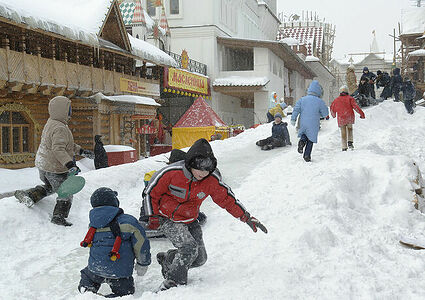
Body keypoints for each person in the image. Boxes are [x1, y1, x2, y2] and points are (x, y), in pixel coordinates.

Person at [142, 138, 267, 291]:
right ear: (191, 163)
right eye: (200, 169)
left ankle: (168, 259)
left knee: (200, 258)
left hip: (190, 218)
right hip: (167, 218)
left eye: (207, 169)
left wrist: (246, 217)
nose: (203, 173)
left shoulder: (211, 180)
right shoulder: (171, 173)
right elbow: (150, 193)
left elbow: (227, 199)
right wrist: (152, 216)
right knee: (189, 248)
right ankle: (172, 284)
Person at [14, 96, 94, 226]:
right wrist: (70, 165)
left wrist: (82, 151)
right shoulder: (60, 128)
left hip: (44, 165)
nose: (70, 112)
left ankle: (30, 195)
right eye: (69, 109)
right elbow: (58, 150)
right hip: (54, 168)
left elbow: (67, 145)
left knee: (50, 186)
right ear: (63, 110)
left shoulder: (52, 122)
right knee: (66, 192)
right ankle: (58, 217)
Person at [78, 187, 151, 297]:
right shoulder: (128, 222)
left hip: (95, 268)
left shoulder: (93, 224)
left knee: (87, 275)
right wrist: (143, 263)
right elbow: (140, 244)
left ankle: (86, 289)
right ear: (114, 202)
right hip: (120, 272)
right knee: (125, 293)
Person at [290, 80, 329, 162]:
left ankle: (302, 141)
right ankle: (307, 155)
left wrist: (293, 119)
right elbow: (325, 113)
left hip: (303, 121)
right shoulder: (320, 101)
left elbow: (296, 109)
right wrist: (321, 115)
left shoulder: (302, 100)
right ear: (318, 91)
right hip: (314, 122)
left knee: (304, 133)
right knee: (310, 138)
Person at [330, 85, 365, 151]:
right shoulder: (350, 98)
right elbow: (356, 107)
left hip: (341, 118)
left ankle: (344, 146)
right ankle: (350, 142)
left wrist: (333, 115)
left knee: (343, 131)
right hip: (349, 116)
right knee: (350, 129)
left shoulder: (336, 100)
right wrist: (362, 114)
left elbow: (332, 109)